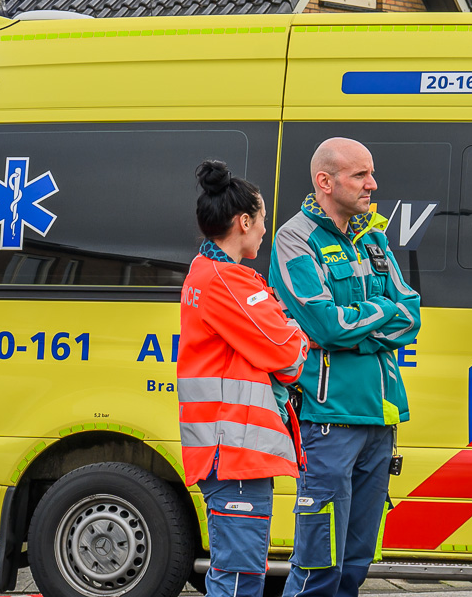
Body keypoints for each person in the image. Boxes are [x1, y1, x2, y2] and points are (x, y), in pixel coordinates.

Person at [269, 138, 421, 597]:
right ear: (325, 181)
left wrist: (357, 323)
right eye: (361, 175)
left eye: (370, 174)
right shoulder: (294, 237)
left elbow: (411, 314)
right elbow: (324, 324)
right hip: (329, 418)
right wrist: (379, 316)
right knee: (320, 565)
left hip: (380, 416)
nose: (372, 185)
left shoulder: (372, 237)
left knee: (356, 563)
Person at [178, 162, 311, 597]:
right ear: (244, 221)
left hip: (226, 447)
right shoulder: (229, 281)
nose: (264, 232)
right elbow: (289, 356)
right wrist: (296, 335)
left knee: (235, 572)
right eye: (263, 221)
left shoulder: (206, 272)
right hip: (235, 450)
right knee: (238, 577)